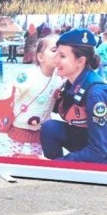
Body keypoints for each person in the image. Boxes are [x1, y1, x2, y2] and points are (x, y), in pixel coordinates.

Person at [40, 28, 107, 163]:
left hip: (100, 151)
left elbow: (99, 151)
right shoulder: (71, 82)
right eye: (56, 54)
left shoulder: (95, 94)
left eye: (62, 56)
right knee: (49, 128)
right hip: (86, 137)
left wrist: (59, 163)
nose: (56, 60)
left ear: (80, 61)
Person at [1, 35, 61, 157]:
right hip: (20, 123)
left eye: (61, 52)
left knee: (36, 155)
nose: (58, 54)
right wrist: (6, 114)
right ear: (40, 57)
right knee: (15, 154)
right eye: (54, 50)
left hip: (41, 126)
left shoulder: (58, 79)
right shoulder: (28, 76)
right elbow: (11, 92)